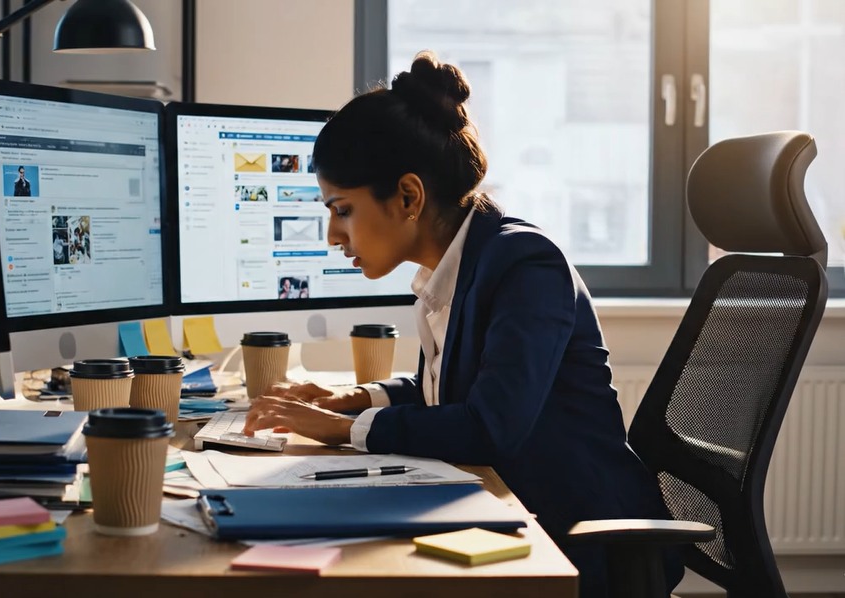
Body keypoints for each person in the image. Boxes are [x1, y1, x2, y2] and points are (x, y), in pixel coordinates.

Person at [240, 51, 682, 598]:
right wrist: (351, 398)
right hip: (508, 509)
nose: (333, 234)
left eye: (342, 209)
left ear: (407, 196)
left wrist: (336, 430)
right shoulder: (457, 266)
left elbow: (489, 425)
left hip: (576, 539)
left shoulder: (525, 264)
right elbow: (449, 393)